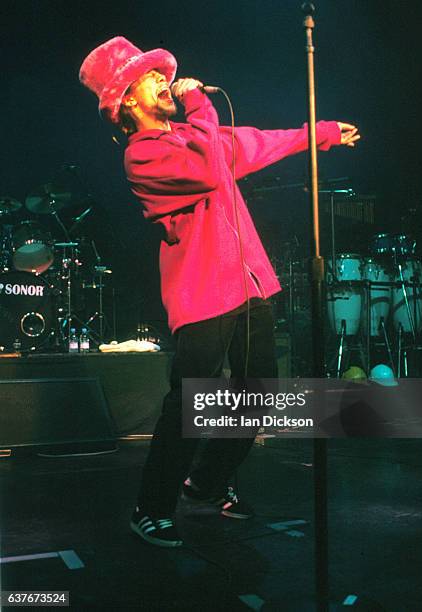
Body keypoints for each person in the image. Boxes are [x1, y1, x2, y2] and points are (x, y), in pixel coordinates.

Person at [79, 36, 360, 547]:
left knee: (259, 398)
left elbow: (255, 143)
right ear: (128, 102)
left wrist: (319, 134)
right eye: (150, 78)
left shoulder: (194, 133)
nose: (165, 80)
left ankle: (205, 485)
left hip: (250, 283)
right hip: (204, 292)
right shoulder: (143, 156)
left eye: (162, 74)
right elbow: (210, 168)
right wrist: (200, 103)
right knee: (188, 403)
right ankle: (151, 505)